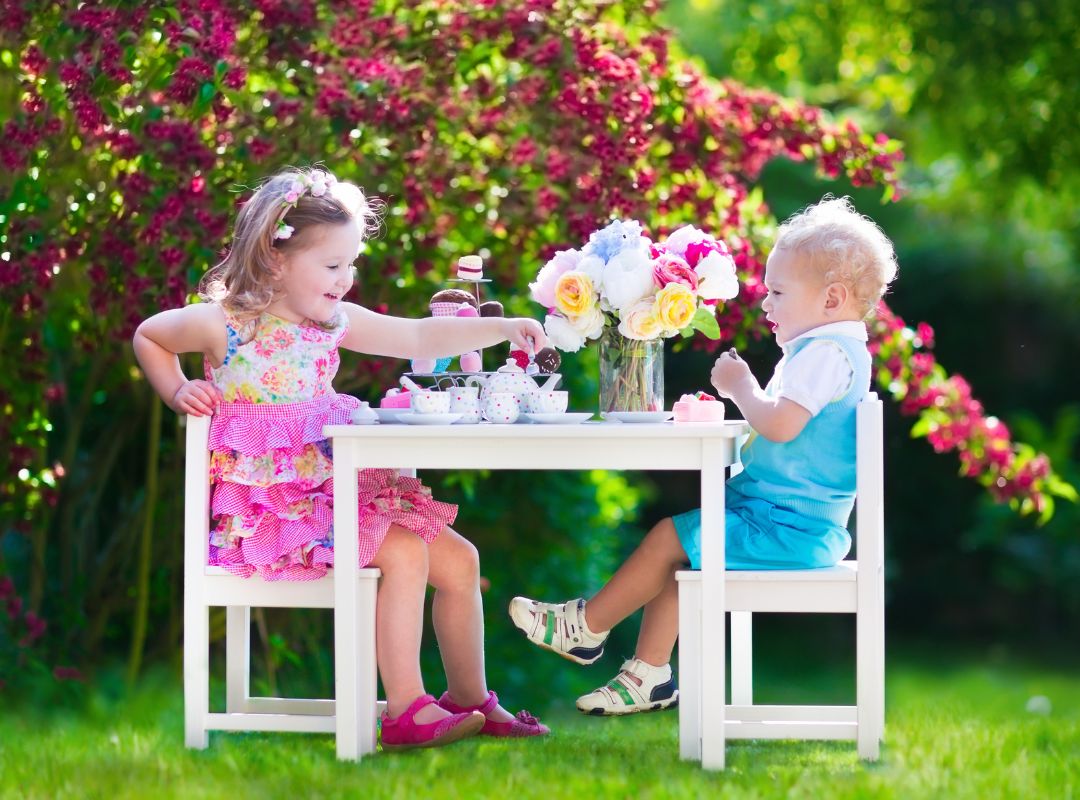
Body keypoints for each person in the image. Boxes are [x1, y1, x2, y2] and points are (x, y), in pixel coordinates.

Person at [133, 167, 550, 749]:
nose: (345, 279)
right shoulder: (229, 324)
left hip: (336, 493)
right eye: (332, 266)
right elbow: (150, 335)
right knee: (404, 552)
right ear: (276, 261)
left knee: (459, 559)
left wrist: (500, 327)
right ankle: (406, 710)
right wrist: (177, 390)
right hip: (275, 515)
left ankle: (468, 698)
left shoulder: (332, 322)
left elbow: (416, 338)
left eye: (350, 264)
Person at [509, 196, 898, 715]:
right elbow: (787, 424)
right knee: (680, 556)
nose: (766, 305)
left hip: (789, 529)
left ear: (832, 299)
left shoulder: (826, 354)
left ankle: (586, 627)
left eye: (778, 293)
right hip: (782, 521)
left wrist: (741, 388)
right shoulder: (828, 352)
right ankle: (648, 676)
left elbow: (781, 424)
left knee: (669, 536)